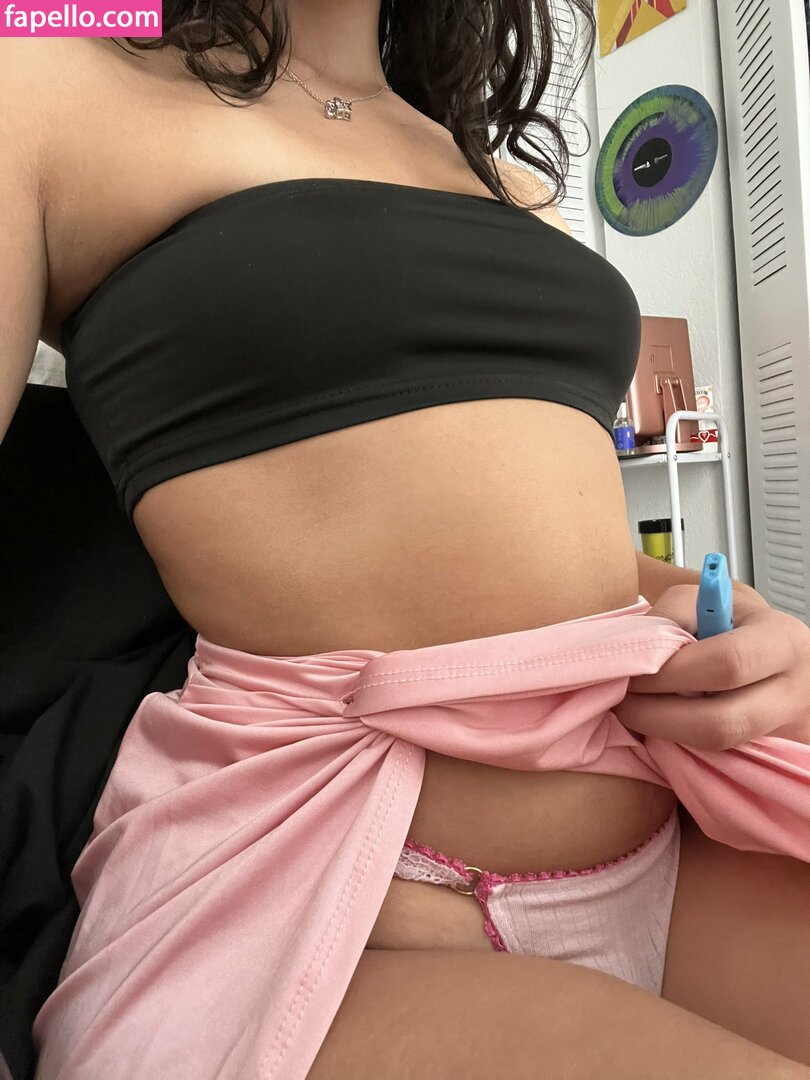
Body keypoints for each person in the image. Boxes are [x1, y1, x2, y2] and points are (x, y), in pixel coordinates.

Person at [1, 2, 809, 1077]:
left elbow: (524, 513)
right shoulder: (46, 72)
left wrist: (720, 615)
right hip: (321, 892)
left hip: (678, 822)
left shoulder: (501, 179)